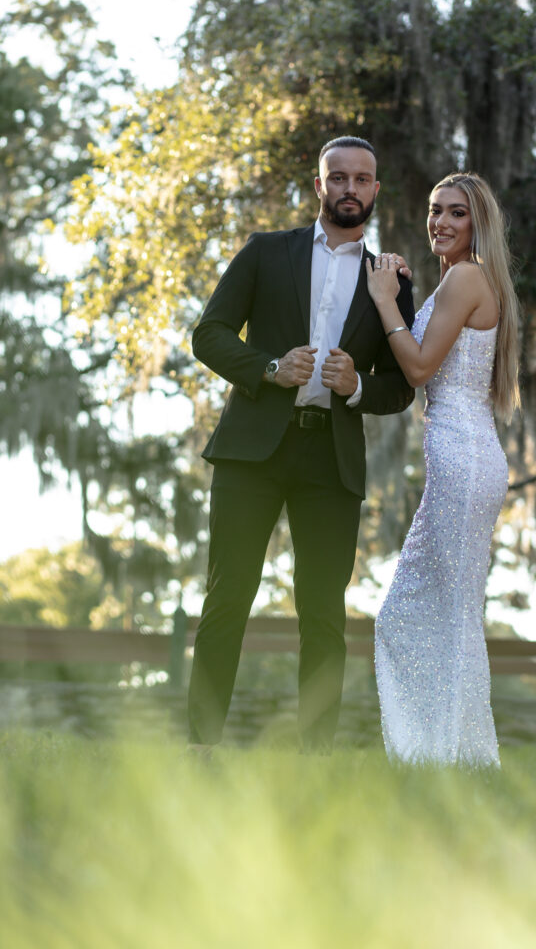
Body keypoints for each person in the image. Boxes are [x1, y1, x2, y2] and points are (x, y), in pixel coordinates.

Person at [187, 136, 415, 754]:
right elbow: (206, 334)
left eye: (361, 179)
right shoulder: (266, 252)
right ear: (319, 186)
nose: (349, 188)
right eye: (336, 177)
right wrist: (267, 368)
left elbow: (403, 386)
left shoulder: (389, 280)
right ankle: (201, 747)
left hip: (329, 461)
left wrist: (358, 384)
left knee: (323, 614)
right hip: (250, 451)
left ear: (375, 190)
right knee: (228, 595)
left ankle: (315, 758)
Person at [366, 172, 520, 767]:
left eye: (456, 213)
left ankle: (454, 753)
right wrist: (403, 287)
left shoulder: (466, 275)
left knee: (418, 613)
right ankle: (450, 752)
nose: (441, 222)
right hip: (468, 455)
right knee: (449, 609)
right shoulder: (470, 279)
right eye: (435, 211)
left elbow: (420, 367)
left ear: (477, 222)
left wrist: (384, 302)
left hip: (464, 457)